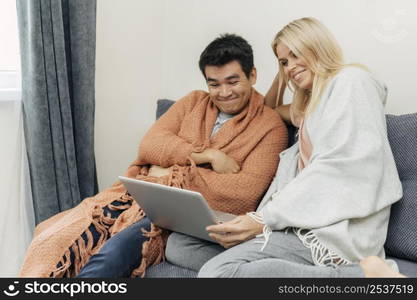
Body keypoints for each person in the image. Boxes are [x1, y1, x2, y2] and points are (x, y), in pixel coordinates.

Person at [19, 34, 288, 278]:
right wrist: (208, 156)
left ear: (252, 75)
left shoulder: (270, 126)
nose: (224, 92)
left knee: (108, 258)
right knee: (58, 238)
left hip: (174, 220)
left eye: (233, 81)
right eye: (214, 84)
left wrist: (168, 173)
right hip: (137, 197)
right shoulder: (194, 101)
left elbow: (244, 192)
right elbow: (150, 144)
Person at [167, 17, 406, 278]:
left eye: (296, 54)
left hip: (328, 228)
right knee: (180, 245)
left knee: (218, 273)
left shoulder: (350, 81)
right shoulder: (310, 106)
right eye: (284, 61)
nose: (291, 66)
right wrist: (284, 74)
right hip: (297, 221)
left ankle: (362, 277)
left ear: (317, 46)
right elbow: (266, 110)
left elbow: (338, 167)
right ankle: (280, 271)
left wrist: (263, 219)